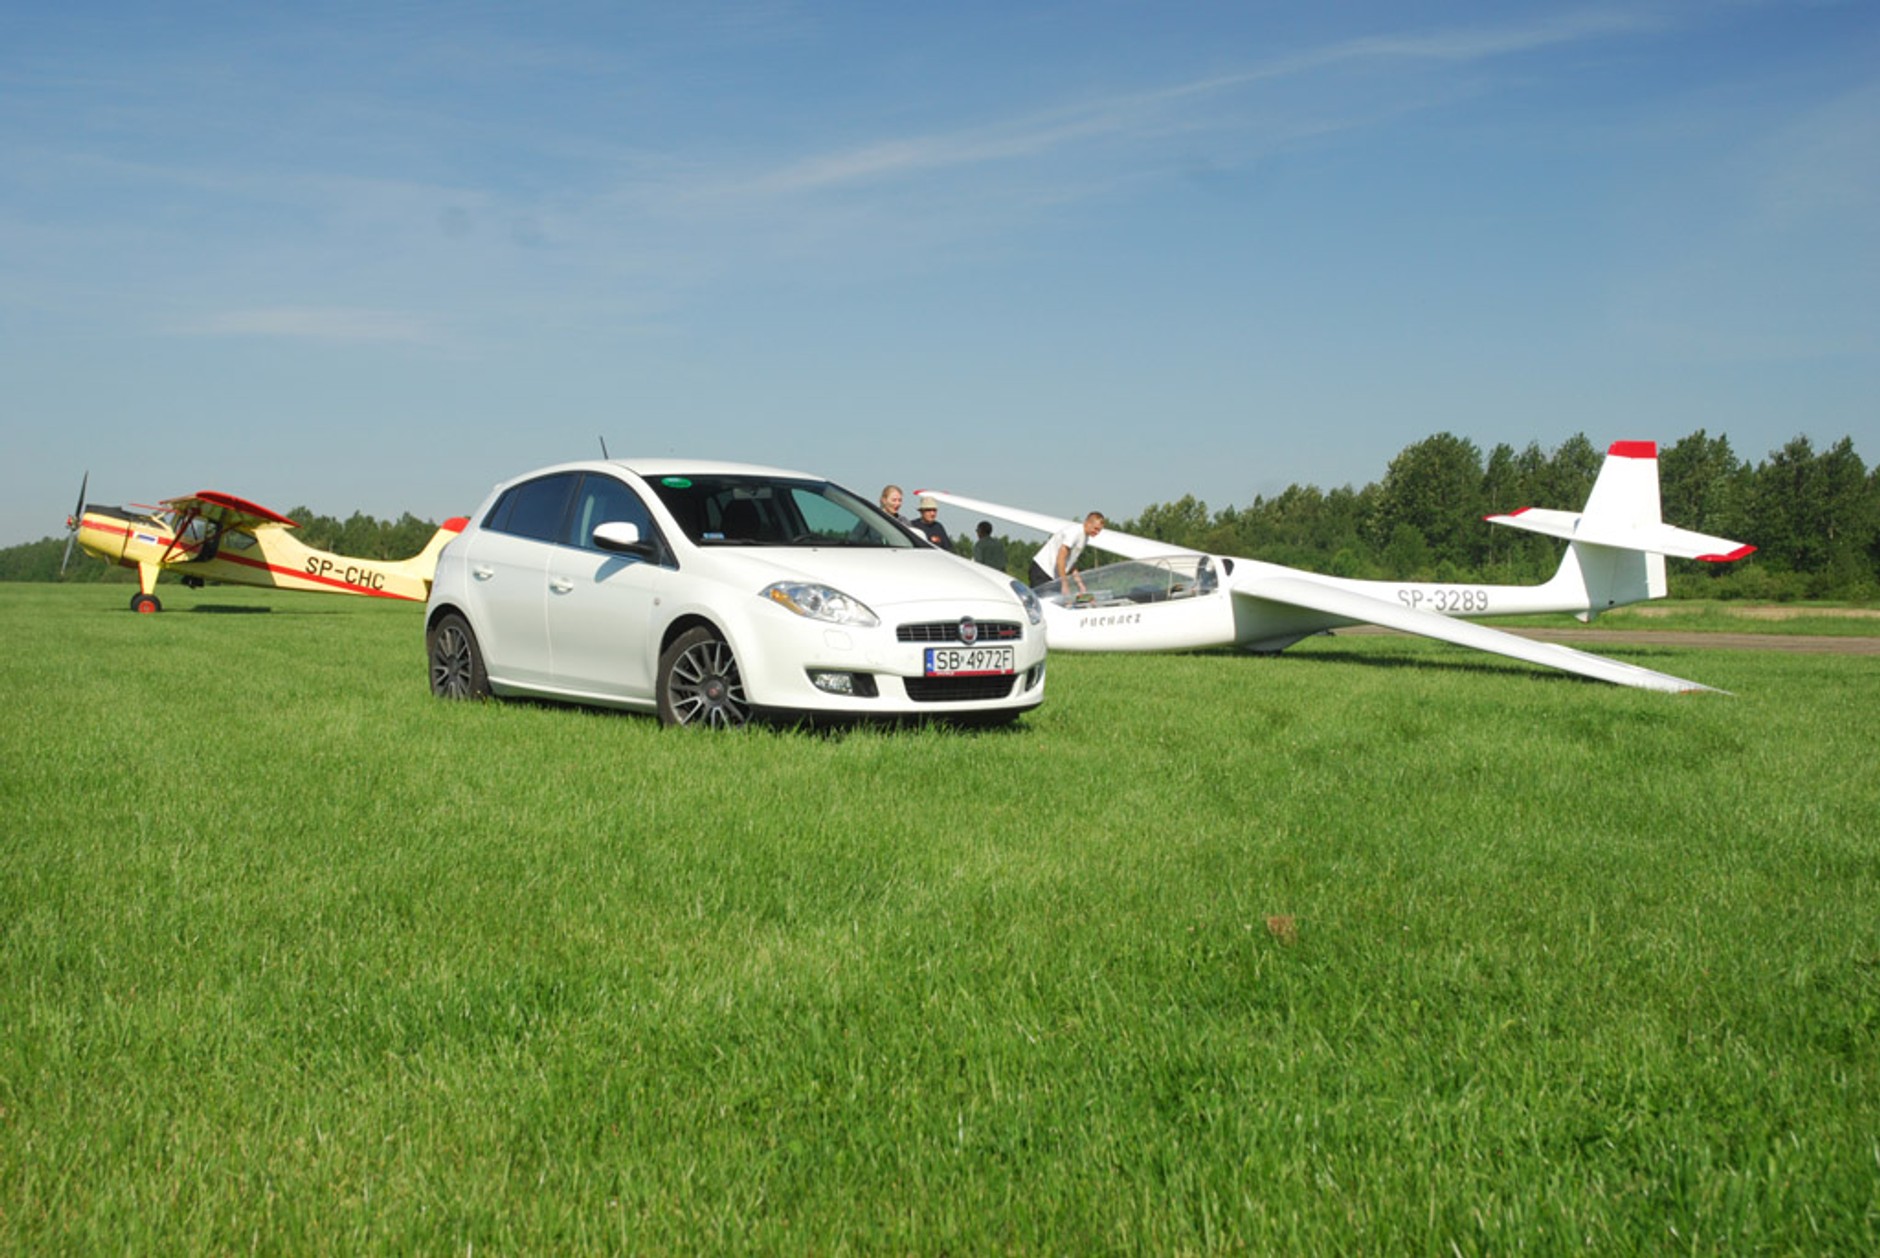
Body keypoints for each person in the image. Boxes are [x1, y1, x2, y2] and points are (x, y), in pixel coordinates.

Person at [1029, 511, 1105, 596]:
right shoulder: (1074, 533)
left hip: (1055, 576)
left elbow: (1071, 562)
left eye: (1099, 530)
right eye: (1096, 529)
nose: (1097, 532)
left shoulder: (1085, 537)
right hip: (1043, 570)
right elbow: (1061, 558)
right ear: (1088, 523)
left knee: (1060, 601)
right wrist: (1064, 584)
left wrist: (1080, 585)